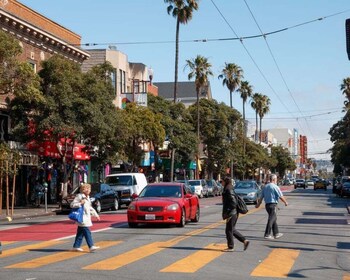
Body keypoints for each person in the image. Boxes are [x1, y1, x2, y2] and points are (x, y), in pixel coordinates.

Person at [255, 174, 288, 240]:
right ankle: (267, 234)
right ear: (273, 179)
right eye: (276, 179)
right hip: (273, 205)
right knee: (272, 218)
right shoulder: (275, 186)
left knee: (273, 218)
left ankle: (276, 233)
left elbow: (261, 197)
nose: (276, 180)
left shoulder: (265, 186)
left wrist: (258, 205)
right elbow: (280, 196)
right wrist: (285, 202)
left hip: (267, 205)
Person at [222, 176, 250, 252]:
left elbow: (233, 202)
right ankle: (245, 241)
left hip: (232, 212)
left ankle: (231, 247)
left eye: (222, 181)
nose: (221, 182)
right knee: (231, 229)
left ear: (226, 181)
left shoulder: (228, 189)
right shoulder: (228, 188)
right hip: (233, 212)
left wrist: (228, 211)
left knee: (229, 230)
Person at [71, 183, 100, 252]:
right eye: (86, 188)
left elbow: (90, 208)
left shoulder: (87, 197)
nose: (88, 190)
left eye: (89, 189)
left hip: (86, 217)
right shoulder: (79, 196)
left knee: (80, 233)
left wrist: (96, 215)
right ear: (82, 189)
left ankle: (76, 246)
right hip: (81, 218)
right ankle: (91, 246)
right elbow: (72, 205)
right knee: (87, 231)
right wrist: (80, 203)